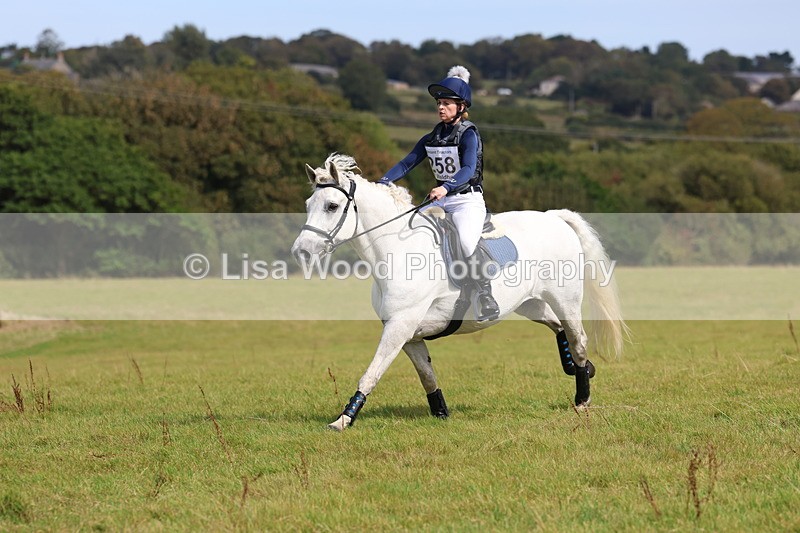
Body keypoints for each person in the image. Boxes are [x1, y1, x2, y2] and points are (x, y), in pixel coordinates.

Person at [378, 65, 500, 322]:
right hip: (441, 200)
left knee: (467, 242)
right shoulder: (431, 138)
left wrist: (446, 186)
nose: (441, 108)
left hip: (467, 200)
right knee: (407, 230)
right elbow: (405, 164)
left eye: (447, 103)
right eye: (439, 103)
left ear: (461, 107)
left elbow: (468, 168)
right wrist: (382, 182)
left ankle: (486, 295)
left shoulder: (469, 135)